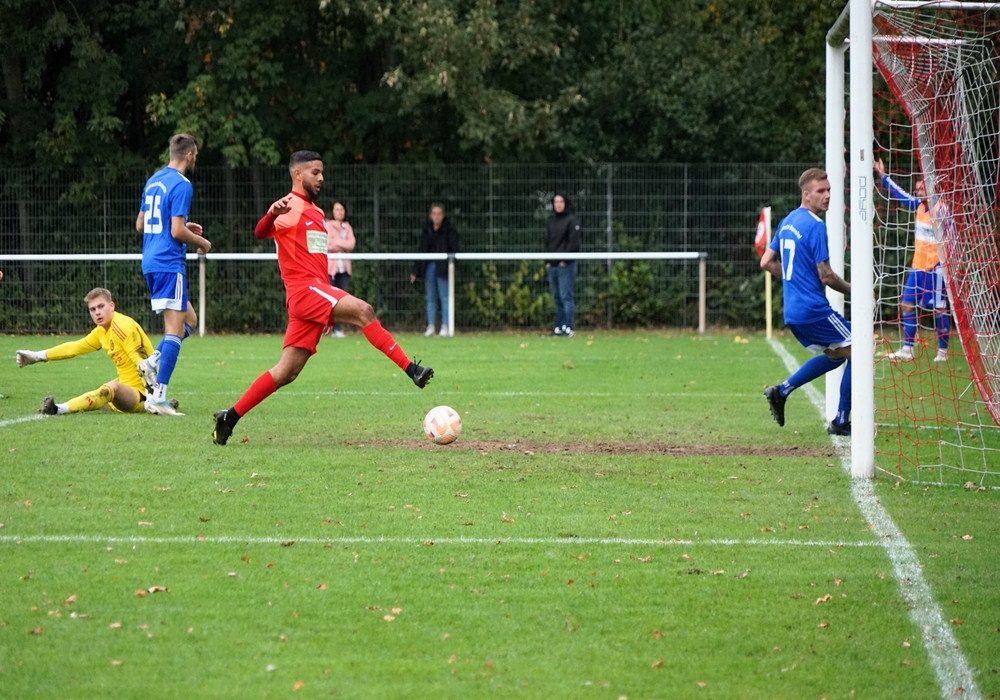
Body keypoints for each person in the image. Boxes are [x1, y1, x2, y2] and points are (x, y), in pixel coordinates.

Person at [212, 150, 434, 446]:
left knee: (286, 372)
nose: (321, 178)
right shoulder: (288, 207)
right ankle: (412, 369)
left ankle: (230, 418)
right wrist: (270, 215)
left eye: (321, 172)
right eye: (315, 172)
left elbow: (315, 261)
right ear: (297, 174)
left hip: (316, 294)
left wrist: (327, 306)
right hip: (304, 292)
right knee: (364, 310)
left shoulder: (316, 212)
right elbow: (260, 232)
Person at [760, 168, 853, 436]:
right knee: (859, 351)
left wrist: (794, 279)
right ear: (806, 194)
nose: (827, 196)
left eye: (829, 190)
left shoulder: (788, 221)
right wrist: (855, 292)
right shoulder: (815, 226)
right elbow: (826, 275)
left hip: (793, 311)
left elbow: (766, 262)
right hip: (813, 309)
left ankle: (782, 391)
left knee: (836, 355)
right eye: (821, 191)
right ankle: (841, 422)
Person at [134, 133, 212, 416]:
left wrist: (185, 226)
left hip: (151, 261)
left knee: (189, 320)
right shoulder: (182, 184)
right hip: (169, 262)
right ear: (190, 155)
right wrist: (201, 242)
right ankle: (158, 396)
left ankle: (152, 360)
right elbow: (177, 232)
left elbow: (141, 225)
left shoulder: (154, 180)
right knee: (175, 330)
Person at [14, 288, 179, 415]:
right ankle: (57, 409)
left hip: (141, 393)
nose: (97, 312)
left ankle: (155, 404)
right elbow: (74, 347)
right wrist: (37, 356)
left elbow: (144, 365)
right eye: (92, 309)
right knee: (99, 396)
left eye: (101, 306)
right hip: (127, 387)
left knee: (111, 388)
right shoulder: (102, 331)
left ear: (112, 306)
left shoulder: (122, 326)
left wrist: (154, 396)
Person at [874, 158, 950, 362]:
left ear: (932, 188)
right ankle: (908, 348)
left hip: (936, 269)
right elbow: (901, 195)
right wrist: (883, 176)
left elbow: (954, 238)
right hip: (917, 267)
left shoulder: (941, 210)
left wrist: (948, 264)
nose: (917, 191)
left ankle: (942, 352)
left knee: (938, 309)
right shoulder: (918, 206)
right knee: (906, 304)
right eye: (916, 188)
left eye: (921, 188)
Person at [410, 203, 459, 337]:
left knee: (445, 297)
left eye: (439, 214)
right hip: (429, 268)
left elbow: (454, 248)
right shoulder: (427, 230)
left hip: (443, 267)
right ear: (430, 215)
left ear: (443, 215)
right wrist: (416, 269)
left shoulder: (449, 230)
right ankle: (431, 325)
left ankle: (445, 325)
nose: (436, 216)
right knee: (430, 297)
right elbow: (421, 250)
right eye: (434, 214)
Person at [545, 193, 581, 337]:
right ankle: (559, 326)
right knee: (557, 297)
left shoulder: (572, 220)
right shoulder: (551, 221)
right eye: (556, 202)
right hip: (552, 265)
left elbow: (574, 243)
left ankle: (568, 326)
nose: (558, 204)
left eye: (561, 202)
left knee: (566, 296)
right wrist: (547, 261)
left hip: (566, 265)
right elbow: (547, 241)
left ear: (566, 203)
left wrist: (564, 260)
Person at [325, 201, 356, 338]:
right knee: (330, 300)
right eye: (337, 209)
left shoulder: (347, 227)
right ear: (332, 211)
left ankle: (338, 329)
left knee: (342, 301)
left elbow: (351, 244)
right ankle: (326, 327)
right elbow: (327, 244)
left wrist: (337, 243)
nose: (339, 212)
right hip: (330, 269)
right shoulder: (327, 225)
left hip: (344, 269)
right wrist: (341, 245)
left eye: (342, 209)